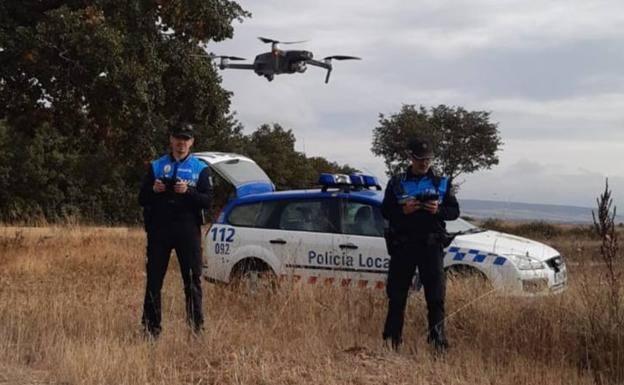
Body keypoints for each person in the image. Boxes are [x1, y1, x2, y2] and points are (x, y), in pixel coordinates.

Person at [381, 137, 460, 352]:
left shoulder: (442, 182)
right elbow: (385, 211)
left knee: (435, 298)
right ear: (411, 158)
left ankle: (437, 344)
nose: (424, 163)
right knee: (397, 296)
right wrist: (403, 211)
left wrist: (438, 210)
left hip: (431, 246)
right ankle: (392, 341)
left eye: (428, 159)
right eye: (419, 159)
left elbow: (454, 212)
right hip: (404, 246)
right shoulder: (396, 182)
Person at [138, 122, 212, 338]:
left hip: (187, 230)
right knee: (153, 280)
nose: (181, 143)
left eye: (186, 139)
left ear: (192, 142)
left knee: (192, 280)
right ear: (171, 139)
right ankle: (151, 330)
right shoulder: (156, 166)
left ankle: (196, 329)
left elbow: (207, 201)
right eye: (178, 138)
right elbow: (142, 198)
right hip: (159, 230)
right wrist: (154, 189)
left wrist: (188, 191)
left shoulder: (200, 168)